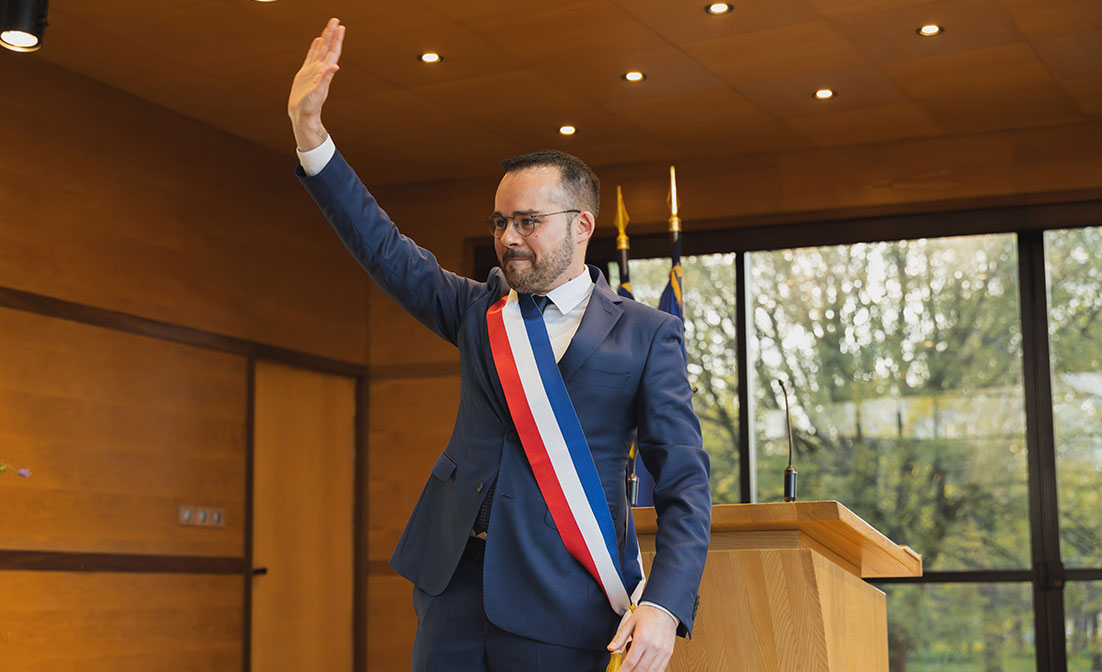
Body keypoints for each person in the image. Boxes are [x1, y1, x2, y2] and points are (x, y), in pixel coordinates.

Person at [288, 18, 711, 672]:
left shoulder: (647, 334)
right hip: (451, 588)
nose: (509, 237)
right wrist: (311, 135)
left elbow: (683, 481)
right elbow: (382, 247)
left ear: (582, 225)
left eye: (528, 222)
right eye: (500, 221)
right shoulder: (479, 309)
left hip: (564, 602)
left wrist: (663, 602)